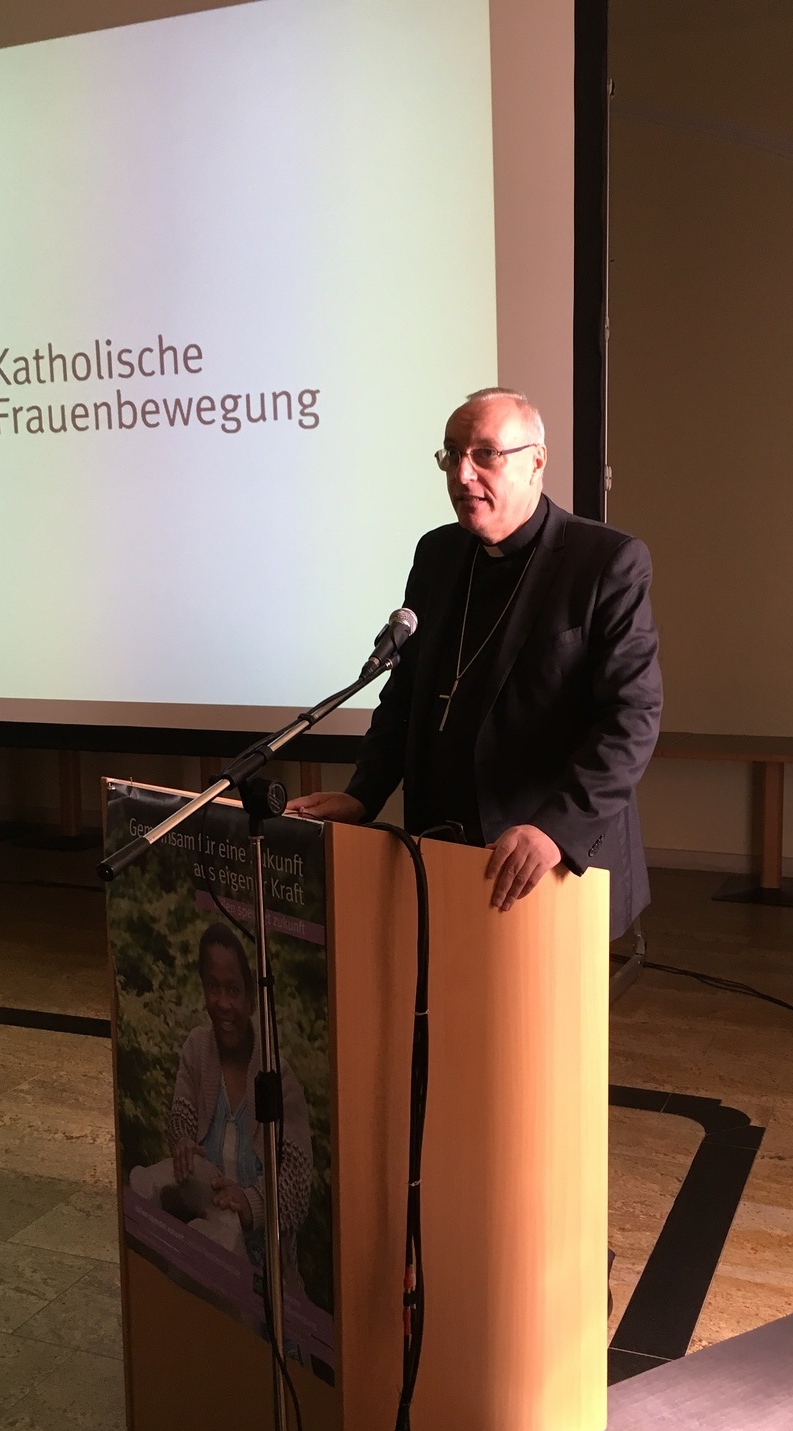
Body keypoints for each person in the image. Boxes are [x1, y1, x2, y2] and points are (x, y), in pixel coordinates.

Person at [288, 387, 662, 936]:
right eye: (452, 454)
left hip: (541, 856)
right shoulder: (437, 553)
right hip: (437, 842)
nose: (462, 474)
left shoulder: (605, 560)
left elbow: (632, 718)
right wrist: (362, 793)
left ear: (536, 460)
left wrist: (555, 829)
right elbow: (404, 695)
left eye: (485, 454)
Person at [157, 923, 313, 1281]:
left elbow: (297, 1182)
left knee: (211, 1243)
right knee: (146, 1182)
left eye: (233, 990)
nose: (223, 1003)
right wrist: (182, 1141)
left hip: (264, 1274)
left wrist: (249, 1202)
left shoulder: (279, 1077)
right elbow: (181, 1115)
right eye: (213, 987)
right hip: (201, 1223)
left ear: (252, 997)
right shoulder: (197, 1048)